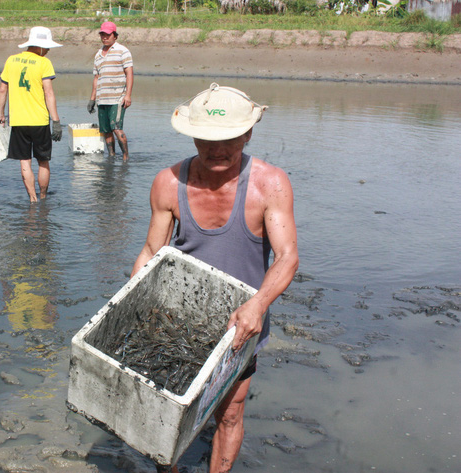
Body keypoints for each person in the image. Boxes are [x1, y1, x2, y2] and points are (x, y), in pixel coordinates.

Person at [131, 83, 299, 473]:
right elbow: (151, 252)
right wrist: (133, 301)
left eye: (228, 139)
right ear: (192, 135)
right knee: (165, 407)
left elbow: (287, 257)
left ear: (248, 133)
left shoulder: (269, 184)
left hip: (243, 319)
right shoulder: (168, 183)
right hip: (177, 316)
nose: (217, 149)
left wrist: (258, 305)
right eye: (206, 139)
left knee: (230, 411)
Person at [0, 26, 63, 203]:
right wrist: (56, 121)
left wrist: (1, 114)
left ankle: (32, 200)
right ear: (40, 46)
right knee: (43, 161)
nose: (48, 50)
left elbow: (3, 89)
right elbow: (49, 93)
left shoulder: (11, 60)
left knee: (25, 162)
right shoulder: (43, 63)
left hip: (18, 121)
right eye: (47, 47)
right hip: (39, 120)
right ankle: (42, 197)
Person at [87, 21, 133, 161]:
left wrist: (128, 95)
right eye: (102, 34)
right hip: (102, 99)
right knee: (106, 130)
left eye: (107, 34)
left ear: (115, 36)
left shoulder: (122, 51)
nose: (104, 37)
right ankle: (111, 157)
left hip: (117, 98)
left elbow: (129, 73)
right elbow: (97, 77)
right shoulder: (98, 54)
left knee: (116, 128)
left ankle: (126, 158)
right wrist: (92, 99)